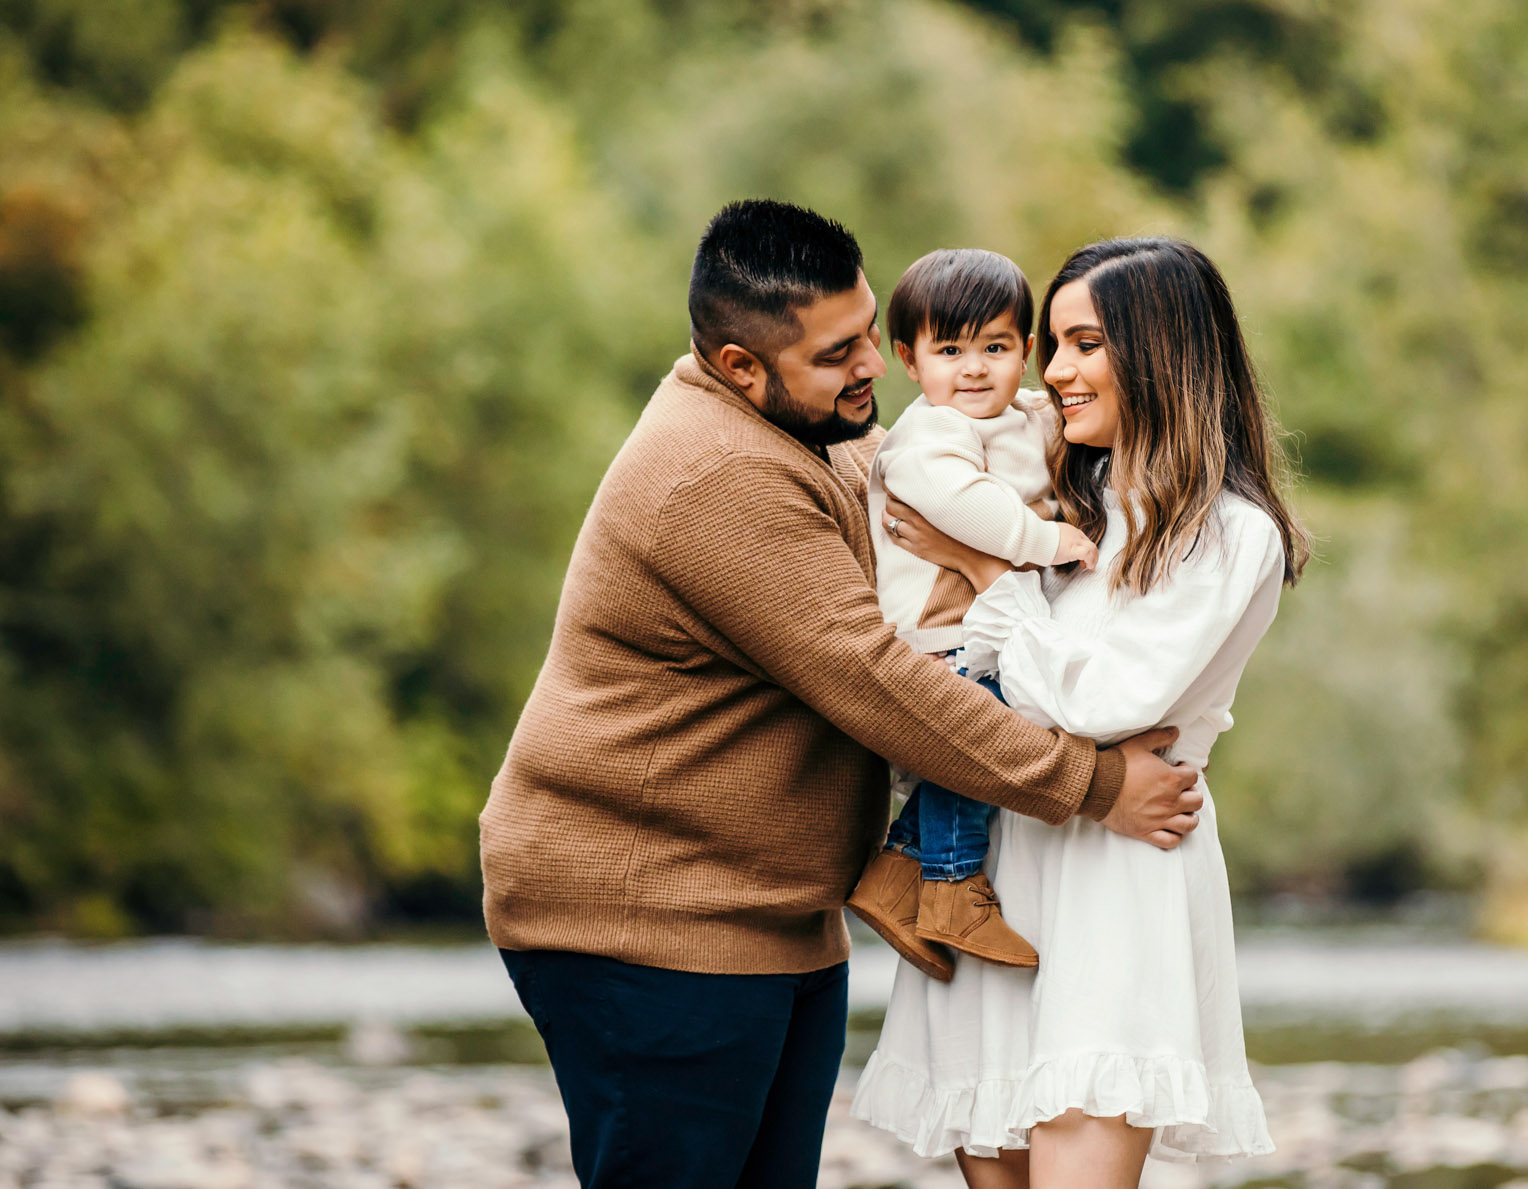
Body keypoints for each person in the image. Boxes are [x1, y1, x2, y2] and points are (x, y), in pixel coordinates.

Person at [476, 202, 1206, 1189]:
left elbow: (944, 459)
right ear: (741, 365)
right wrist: (1091, 783)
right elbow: (879, 682)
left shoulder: (811, 430)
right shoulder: (719, 474)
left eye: (869, 331)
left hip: (766, 910)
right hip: (645, 917)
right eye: (837, 354)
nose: (874, 364)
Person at [849, 237, 1310, 1187]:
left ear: (1162, 351)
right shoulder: (1070, 499)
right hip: (999, 866)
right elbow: (969, 672)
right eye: (1051, 345)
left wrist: (985, 569)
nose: (1051, 373)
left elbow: (1100, 701)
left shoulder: (1229, 532)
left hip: (1114, 878)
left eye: (1082, 343)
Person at [847, 248, 1099, 982]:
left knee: (984, 725)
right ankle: (953, 884)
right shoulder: (931, 434)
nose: (973, 369)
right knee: (980, 735)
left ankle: (896, 874)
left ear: (1027, 350)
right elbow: (968, 505)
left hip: (976, 623)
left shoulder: (1021, 415)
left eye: (994, 347)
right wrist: (1045, 539)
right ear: (908, 359)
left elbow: (1052, 439)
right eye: (949, 350)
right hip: (935, 631)